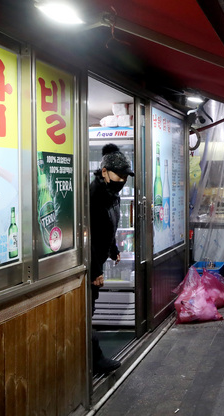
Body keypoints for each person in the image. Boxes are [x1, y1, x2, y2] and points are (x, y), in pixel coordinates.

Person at [89, 143, 135, 374]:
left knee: (89, 311)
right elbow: (87, 235)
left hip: (98, 258)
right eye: (119, 175)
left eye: (126, 176)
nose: (123, 180)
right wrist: (96, 269)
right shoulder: (94, 195)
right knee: (86, 313)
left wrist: (113, 248)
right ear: (104, 171)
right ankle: (94, 360)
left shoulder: (111, 193)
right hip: (89, 263)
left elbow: (106, 227)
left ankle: (89, 360)